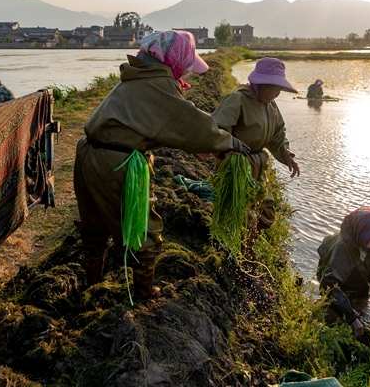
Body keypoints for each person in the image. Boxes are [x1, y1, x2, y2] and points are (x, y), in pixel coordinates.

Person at [74, 30, 250, 300]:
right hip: (116, 164)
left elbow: (155, 123)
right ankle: (144, 293)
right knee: (143, 228)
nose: (188, 73)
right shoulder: (158, 83)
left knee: (94, 226)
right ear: (174, 59)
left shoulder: (136, 77)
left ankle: (91, 285)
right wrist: (227, 142)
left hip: (88, 153)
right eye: (187, 65)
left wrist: (198, 144)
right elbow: (188, 121)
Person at [212, 57, 300, 250]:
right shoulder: (238, 100)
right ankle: (235, 252)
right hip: (237, 167)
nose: (277, 94)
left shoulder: (271, 106)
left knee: (265, 214)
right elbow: (216, 130)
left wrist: (287, 155)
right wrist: (227, 151)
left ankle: (247, 245)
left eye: (280, 90)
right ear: (260, 84)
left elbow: (278, 135)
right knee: (240, 213)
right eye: (274, 89)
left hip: (258, 168)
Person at [317, 207, 370, 338]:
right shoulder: (343, 249)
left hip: (361, 276)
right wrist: (351, 318)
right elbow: (328, 286)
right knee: (335, 309)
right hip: (335, 276)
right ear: (363, 241)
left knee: (360, 302)